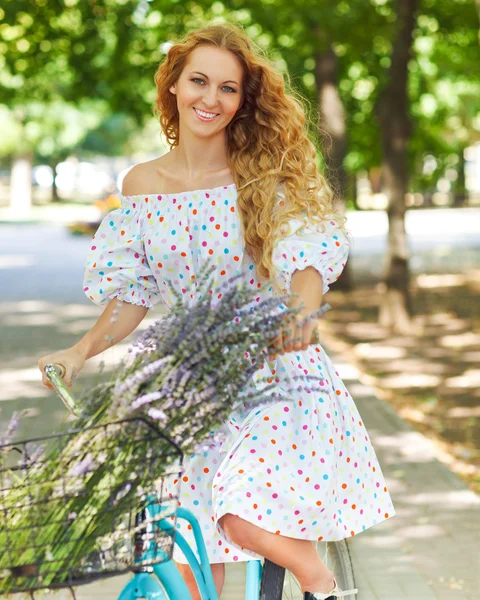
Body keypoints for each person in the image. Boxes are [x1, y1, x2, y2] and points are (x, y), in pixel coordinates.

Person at [38, 22, 395, 600]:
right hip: (190, 382)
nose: (211, 98)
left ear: (242, 101)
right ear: (173, 86)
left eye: (228, 88)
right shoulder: (142, 185)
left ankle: (322, 585)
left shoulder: (263, 176)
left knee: (238, 516)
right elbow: (133, 294)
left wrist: (301, 316)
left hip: (273, 372)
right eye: (198, 81)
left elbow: (304, 262)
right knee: (185, 558)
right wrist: (79, 352)